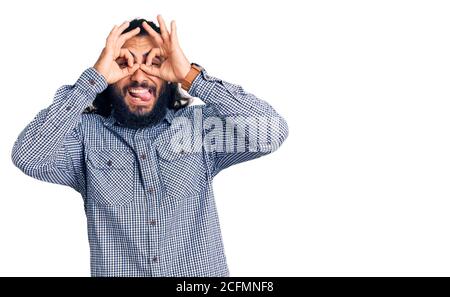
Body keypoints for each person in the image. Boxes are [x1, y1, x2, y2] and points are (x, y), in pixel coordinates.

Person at [11, 15, 289, 277]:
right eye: (124, 62)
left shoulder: (199, 128)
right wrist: (91, 81)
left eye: (154, 62)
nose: (139, 75)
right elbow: (28, 157)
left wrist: (191, 76)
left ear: (169, 77)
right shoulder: (84, 136)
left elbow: (271, 132)